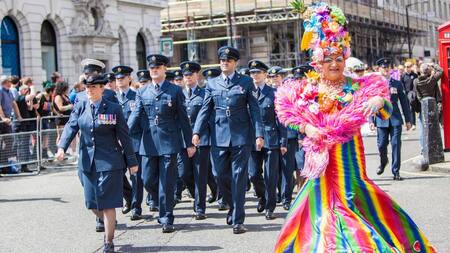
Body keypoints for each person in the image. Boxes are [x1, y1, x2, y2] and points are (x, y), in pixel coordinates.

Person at [274, 3, 435, 252]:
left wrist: (379, 100)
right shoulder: (307, 88)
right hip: (320, 159)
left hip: (349, 156)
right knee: (320, 204)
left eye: (339, 59)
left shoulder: (359, 85)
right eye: (328, 60)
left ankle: (359, 245)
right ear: (318, 63)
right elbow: (287, 114)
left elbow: (386, 108)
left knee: (349, 199)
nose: (335, 64)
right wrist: (307, 129)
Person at [56, 74, 138, 253]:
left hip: (110, 161)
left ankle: (109, 242)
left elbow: (124, 136)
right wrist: (62, 147)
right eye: (87, 87)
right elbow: (71, 126)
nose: (90, 90)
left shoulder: (114, 109)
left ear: (102, 88)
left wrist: (132, 161)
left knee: (108, 203)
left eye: (94, 87)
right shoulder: (81, 106)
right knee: (91, 203)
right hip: (87, 161)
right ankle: (109, 221)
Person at [192, 46, 264, 234]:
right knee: (219, 175)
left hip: (241, 136)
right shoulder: (212, 83)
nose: (225, 62)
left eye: (229, 60)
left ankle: (238, 220)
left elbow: (255, 110)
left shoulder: (246, 82)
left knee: (239, 176)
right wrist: (197, 131)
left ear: (235, 63)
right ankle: (232, 205)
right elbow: (205, 109)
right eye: (222, 60)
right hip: (219, 136)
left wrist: (259, 134)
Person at [128, 54, 195, 233]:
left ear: (164, 69)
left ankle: (167, 217)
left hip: (168, 141)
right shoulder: (142, 91)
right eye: (151, 68)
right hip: (148, 142)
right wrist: (124, 135)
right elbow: (135, 116)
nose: (154, 70)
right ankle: (162, 201)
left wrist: (189, 143)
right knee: (147, 180)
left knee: (166, 182)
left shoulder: (175, 91)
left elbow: (183, 119)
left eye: (158, 67)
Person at [247, 60, 287, 220]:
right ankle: (262, 196)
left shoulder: (274, 93)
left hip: (271, 138)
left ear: (265, 75)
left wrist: (283, 141)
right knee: (253, 174)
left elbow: (281, 119)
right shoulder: (247, 92)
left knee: (271, 175)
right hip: (251, 139)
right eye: (252, 73)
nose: (255, 75)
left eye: (258, 72)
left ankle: (270, 207)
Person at [176, 61, 210, 220]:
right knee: (183, 173)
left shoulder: (204, 94)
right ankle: (193, 193)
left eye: (190, 74)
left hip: (201, 140)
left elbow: (207, 118)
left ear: (197, 75)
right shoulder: (178, 94)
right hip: (182, 140)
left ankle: (200, 207)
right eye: (185, 75)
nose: (188, 77)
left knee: (200, 175)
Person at [373, 57, 412, 180]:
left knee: (396, 144)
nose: (385, 69)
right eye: (383, 67)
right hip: (381, 119)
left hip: (395, 119)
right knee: (381, 144)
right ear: (379, 69)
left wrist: (408, 119)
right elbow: (370, 103)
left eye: (387, 67)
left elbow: (404, 102)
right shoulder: (375, 85)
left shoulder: (397, 83)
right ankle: (383, 161)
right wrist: (370, 120)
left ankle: (396, 171)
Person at [112, 65, 143, 220]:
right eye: (117, 78)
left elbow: (136, 118)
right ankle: (129, 196)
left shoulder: (136, 96)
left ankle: (136, 207)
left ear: (129, 79)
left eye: (122, 78)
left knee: (136, 175)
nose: (119, 80)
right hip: (117, 144)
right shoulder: (112, 97)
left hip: (133, 141)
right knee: (117, 173)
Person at [414, 63, 444, 153]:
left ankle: (424, 149)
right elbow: (441, 70)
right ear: (429, 71)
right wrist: (432, 64)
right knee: (434, 128)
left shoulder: (416, 81)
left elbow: (418, 96)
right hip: (433, 105)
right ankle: (436, 149)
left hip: (424, 105)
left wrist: (423, 102)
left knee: (423, 129)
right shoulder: (432, 80)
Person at [37, 81, 56, 159]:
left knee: (46, 137)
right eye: (54, 90)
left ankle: (45, 154)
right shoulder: (41, 96)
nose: (54, 92)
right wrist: (37, 115)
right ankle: (38, 155)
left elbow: (52, 108)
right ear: (50, 90)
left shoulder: (50, 96)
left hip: (46, 119)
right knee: (40, 137)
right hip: (40, 119)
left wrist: (57, 114)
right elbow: (35, 106)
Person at [53, 82, 74, 152]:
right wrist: (69, 106)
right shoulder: (58, 97)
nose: (68, 89)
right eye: (66, 88)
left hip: (68, 119)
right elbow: (60, 108)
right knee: (61, 136)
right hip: (61, 120)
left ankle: (68, 151)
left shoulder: (65, 96)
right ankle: (59, 151)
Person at [401, 61, 419, 129]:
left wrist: (415, 93)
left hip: (412, 94)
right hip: (405, 94)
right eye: (405, 67)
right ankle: (408, 123)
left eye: (408, 67)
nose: (406, 68)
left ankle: (413, 123)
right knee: (406, 109)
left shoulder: (414, 75)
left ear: (411, 67)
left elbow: (416, 84)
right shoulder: (402, 75)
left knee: (412, 109)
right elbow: (401, 85)